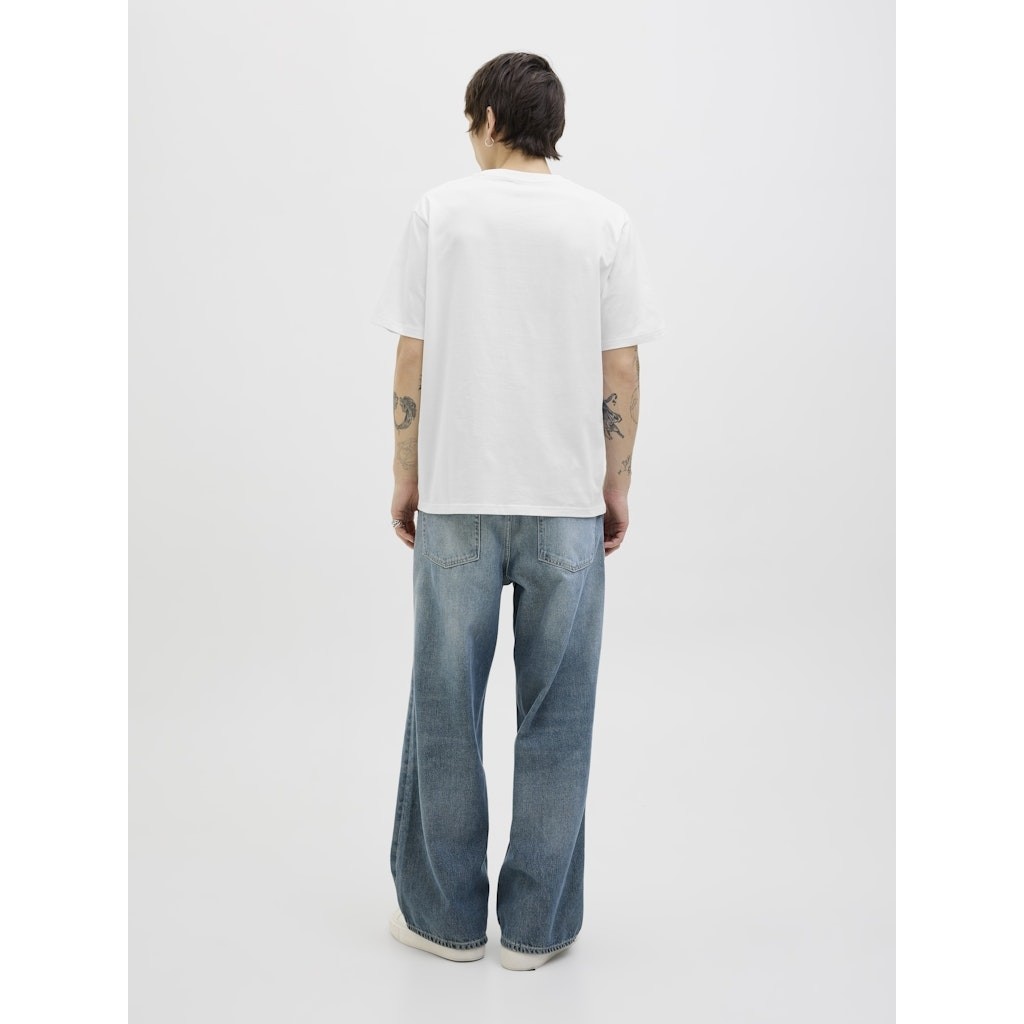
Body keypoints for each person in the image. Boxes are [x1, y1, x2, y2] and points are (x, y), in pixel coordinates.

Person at [370, 52, 666, 970]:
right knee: (559, 718)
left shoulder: (440, 212)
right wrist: (614, 484)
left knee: (445, 711)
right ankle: (534, 933)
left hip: (458, 497)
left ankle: (445, 921)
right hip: (564, 505)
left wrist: (406, 472)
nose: (471, 136)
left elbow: (412, 355)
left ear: (492, 119)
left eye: (472, 120)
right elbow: (623, 367)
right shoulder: (604, 223)